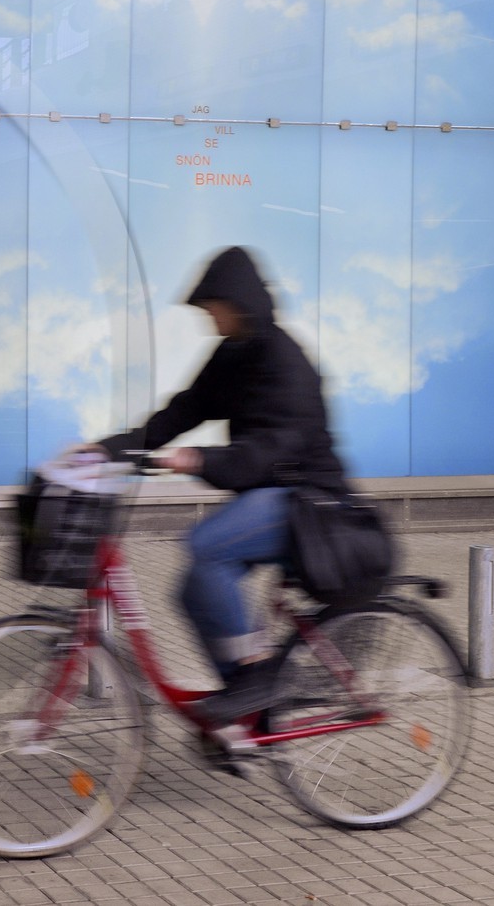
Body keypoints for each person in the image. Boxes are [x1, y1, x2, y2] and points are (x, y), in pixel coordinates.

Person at [89, 246, 349, 724]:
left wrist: (197, 458)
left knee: (206, 545)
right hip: (272, 496)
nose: (208, 317)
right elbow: (183, 411)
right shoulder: (233, 353)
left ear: (239, 302)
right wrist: (109, 448)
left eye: (213, 307)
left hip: (309, 501)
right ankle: (245, 709)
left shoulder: (284, 360)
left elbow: (267, 453)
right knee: (191, 590)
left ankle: (256, 674)